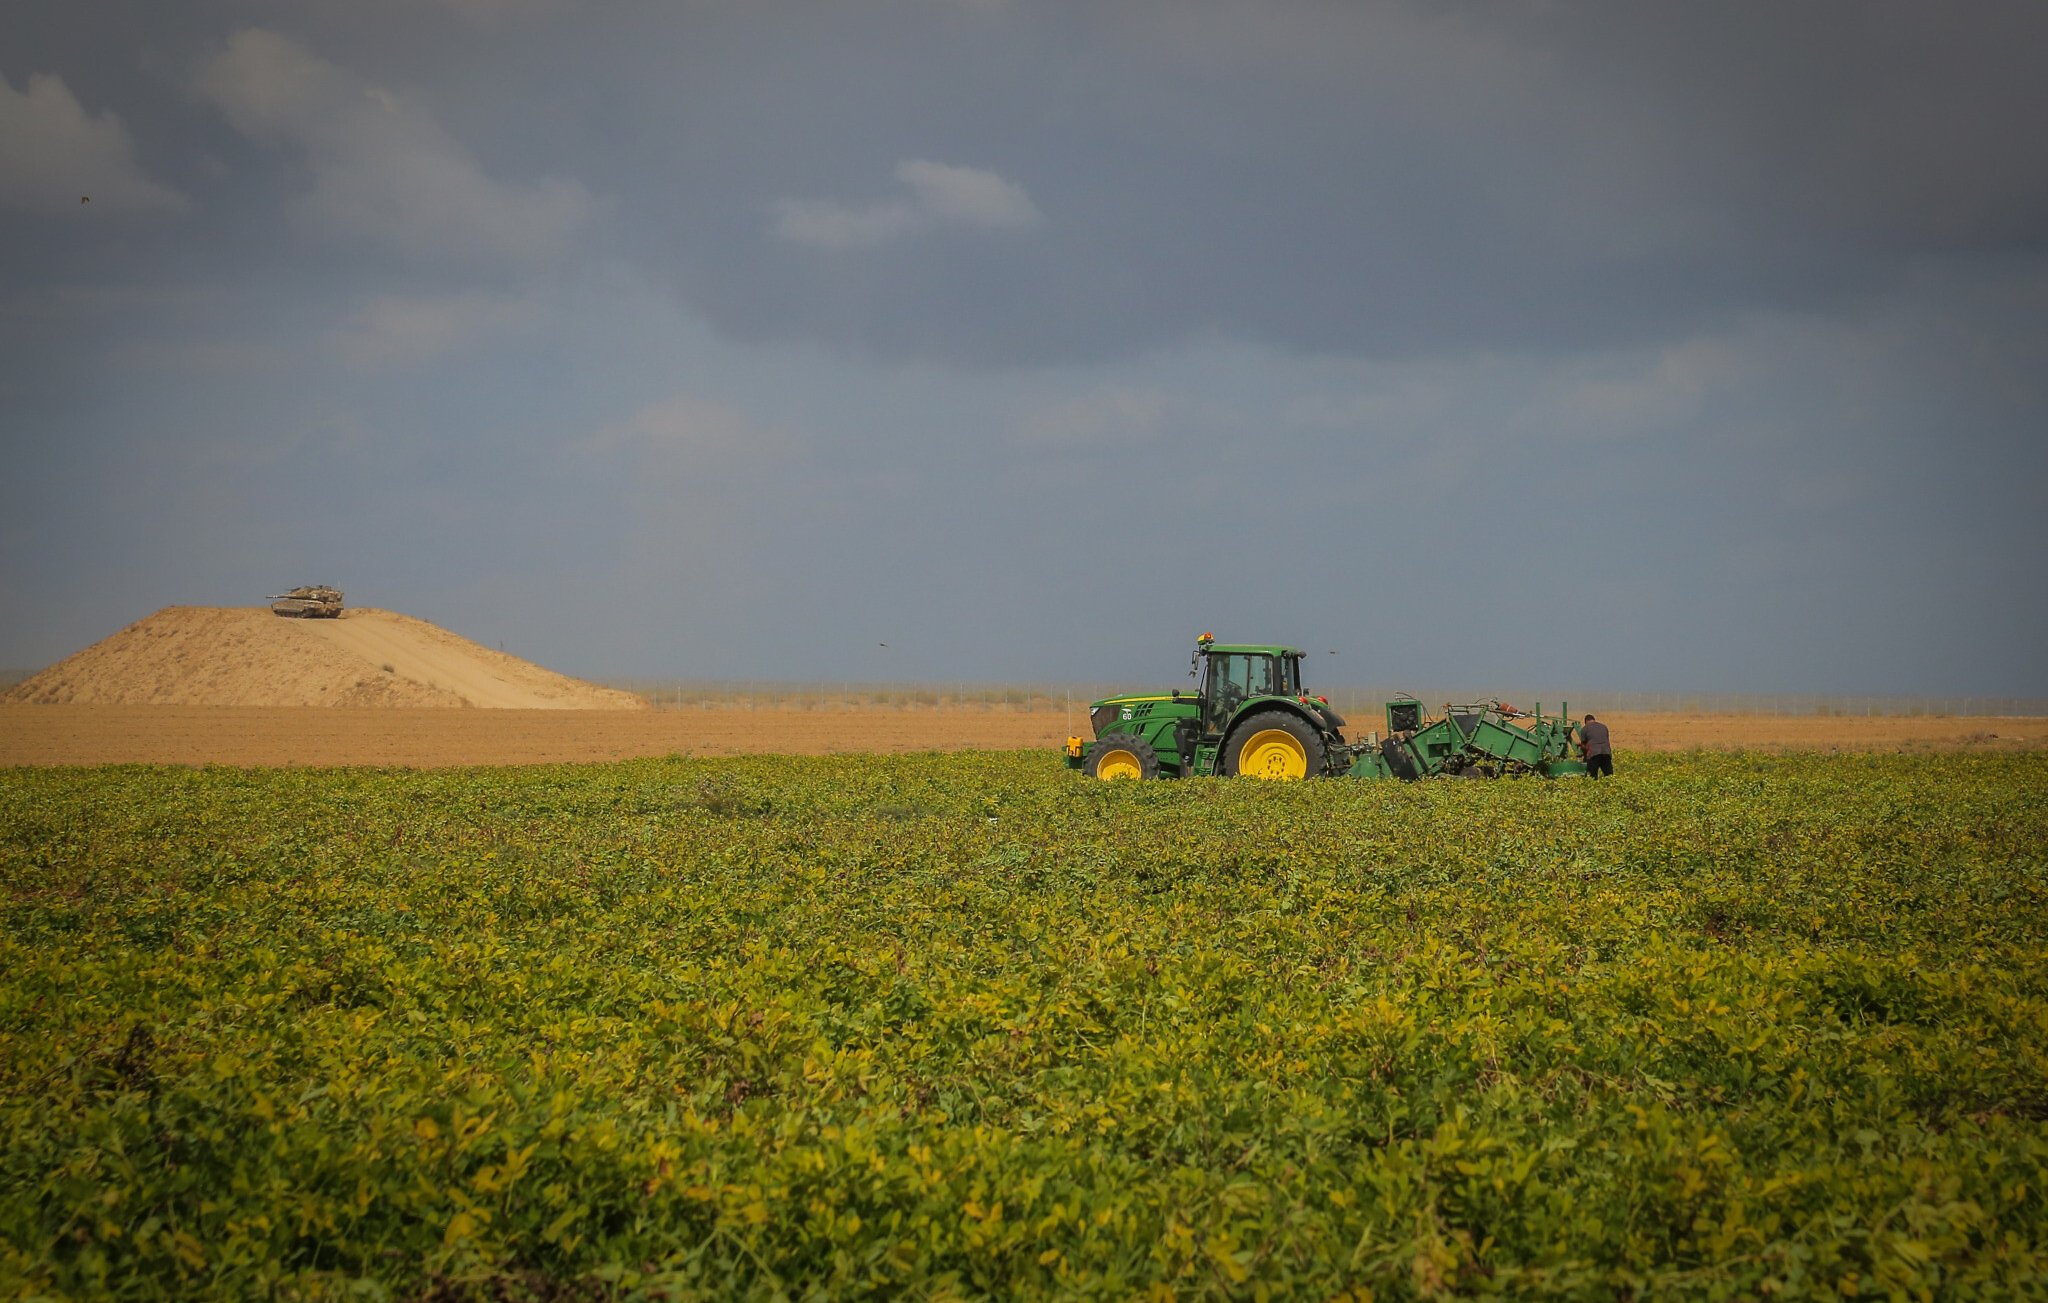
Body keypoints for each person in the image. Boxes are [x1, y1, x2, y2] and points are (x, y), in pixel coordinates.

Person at [1580, 713, 1613, 778]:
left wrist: (1584, 754)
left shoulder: (1585, 729)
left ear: (1586, 722)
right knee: (1609, 775)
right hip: (1606, 752)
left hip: (1594, 754)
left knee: (1593, 777)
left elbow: (1584, 745)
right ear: (1594, 720)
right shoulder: (1604, 726)